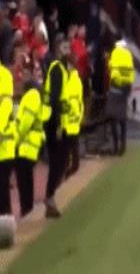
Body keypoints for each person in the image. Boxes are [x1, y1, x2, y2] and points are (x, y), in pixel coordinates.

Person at [15, 61, 50, 217]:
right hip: (31, 144)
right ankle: (27, 208)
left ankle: (26, 209)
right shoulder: (34, 96)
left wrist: (16, 140)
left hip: (27, 145)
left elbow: (25, 123)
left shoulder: (31, 96)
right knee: (26, 178)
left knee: (24, 179)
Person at [42, 35, 70, 218]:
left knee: (60, 160)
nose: (68, 50)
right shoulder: (58, 69)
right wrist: (58, 124)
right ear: (58, 47)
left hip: (54, 121)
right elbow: (55, 99)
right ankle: (49, 196)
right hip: (54, 122)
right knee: (58, 161)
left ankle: (50, 196)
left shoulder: (60, 67)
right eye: (65, 46)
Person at [106, 35, 135, 155]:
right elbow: (131, 70)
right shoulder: (128, 54)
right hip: (126, 87)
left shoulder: (115, 52)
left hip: (115, 86)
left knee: (112, 116)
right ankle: (123, 145)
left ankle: (115, 145)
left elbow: (111, 67)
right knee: (122, 118)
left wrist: (108, 61)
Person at [0, 55, 16, 244]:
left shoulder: (3, 75)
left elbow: (5, 105)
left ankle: (6, 233)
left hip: (4, 147)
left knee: (2, 188)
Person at [64, 58, 84, 178]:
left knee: (70, 144)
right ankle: (73, 165)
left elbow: (69, 98)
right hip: (75, 114)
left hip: (71, 114)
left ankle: (72, 166)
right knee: (73, 144)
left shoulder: (72, 80)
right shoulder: (75, 79)